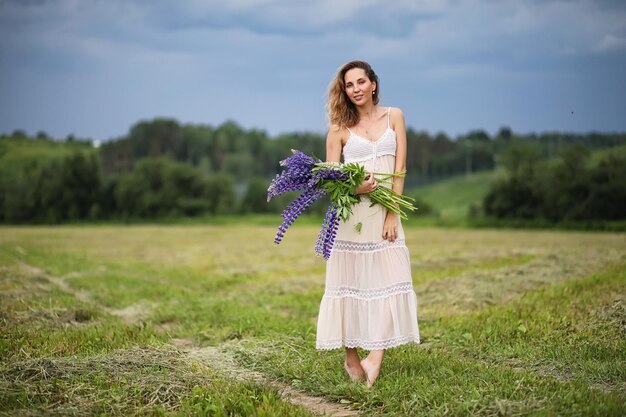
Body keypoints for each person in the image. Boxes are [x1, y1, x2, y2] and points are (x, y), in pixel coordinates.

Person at [315, 60, 420, 387]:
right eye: (349, 84)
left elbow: (400, 169)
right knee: (350, 286)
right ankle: (350, 357)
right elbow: (330, 180)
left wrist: (393, 214)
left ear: (373, 84)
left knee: (393, 281)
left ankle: (375, 356)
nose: (356, 88)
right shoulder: (338, 129)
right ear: (344, 91)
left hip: (385, 215)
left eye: (361, 81)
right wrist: (354, 187)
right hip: (351, 218)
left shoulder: (395, 116)